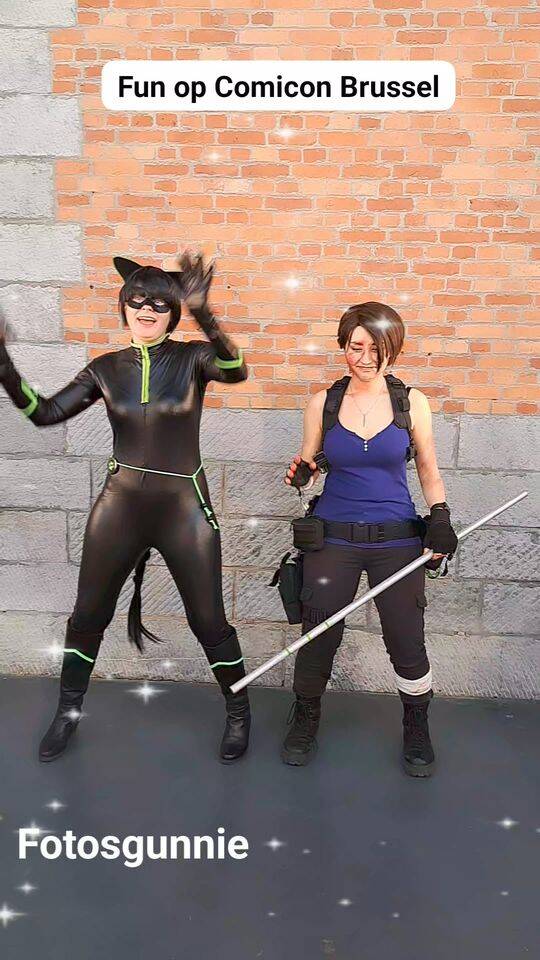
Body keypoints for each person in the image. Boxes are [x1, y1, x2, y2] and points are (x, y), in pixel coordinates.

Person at [0, 252, 251, 764]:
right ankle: (68, 711)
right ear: (123, 306)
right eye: (136, 300)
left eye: (159, 303)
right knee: (88, 615)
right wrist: (4, 365)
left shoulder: (192, 359)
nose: (146, 310)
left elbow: (235, 369)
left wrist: (204, 313)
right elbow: (45, 412)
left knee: (209, 621)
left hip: (184, 508)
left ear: (173, 312)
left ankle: (239, 712)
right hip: (121, 508)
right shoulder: (106, 368)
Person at [283, 302, 458, 776]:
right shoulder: (323, 402)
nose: (365, 358)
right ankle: (305, 718)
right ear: (344, 346)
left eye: (376, 348)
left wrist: (440, 517)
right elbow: (309, 465)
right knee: (318, 634)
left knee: (406, 638)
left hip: (396, 540)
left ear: (392, 348)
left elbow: (428, 468)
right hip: (333, 539)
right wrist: (301, 474)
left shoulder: (411, 402)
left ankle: (416, 725)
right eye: (355, 347)